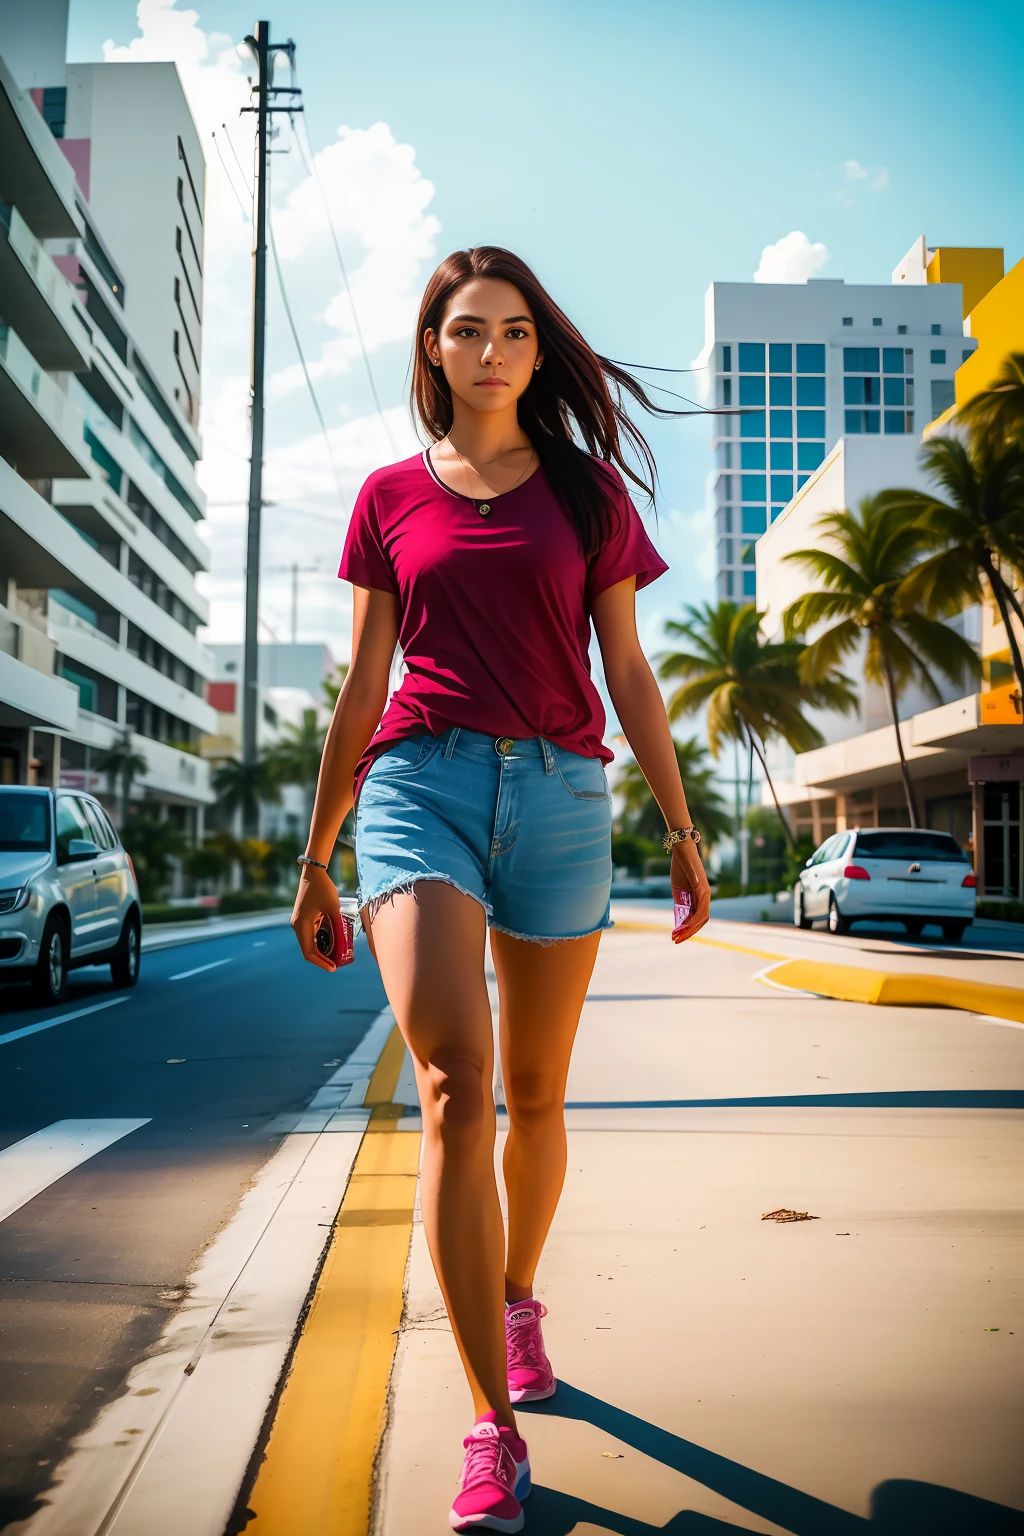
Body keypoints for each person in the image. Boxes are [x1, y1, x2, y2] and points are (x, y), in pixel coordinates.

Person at [292, 246, 711, 1533]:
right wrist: (318, 853)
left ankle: (516, 1293)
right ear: (432, 348)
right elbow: (363, 684)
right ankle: (493, 1421)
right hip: (419, 783)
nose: (492, 351)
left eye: (516, 332)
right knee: (456, 1087)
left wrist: (682, 827)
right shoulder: (385, 497)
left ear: (539, 351)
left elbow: (629, 673)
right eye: (467, 330)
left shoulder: (587, 499)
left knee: (535, 1092)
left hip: (563, 799)